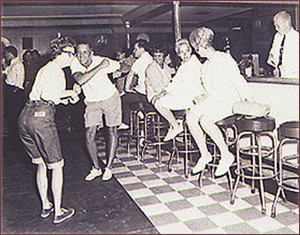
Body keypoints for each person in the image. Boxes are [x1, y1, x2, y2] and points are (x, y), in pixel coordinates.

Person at [18, 36, 78, 224]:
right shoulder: (57, 71)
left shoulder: (45, 69)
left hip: (25, 117)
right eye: (71, 54)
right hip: (41, 118)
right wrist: (72, 92)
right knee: (57, 165)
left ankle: (46, 205)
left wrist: (65, 98)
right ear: (62, 53)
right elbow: (48, 95)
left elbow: (44, 96)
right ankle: (58, 211)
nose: (72, 58)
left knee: (41, 163)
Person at [188, 27, 254, 177]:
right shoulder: (206, 65)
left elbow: (238, 81)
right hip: (215, 100)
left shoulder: (224, 58)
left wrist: (250, 101)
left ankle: (226, 154)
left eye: (195, 47)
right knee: (190, 116)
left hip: (229, 100)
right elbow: (210, 89)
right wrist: (202, 96)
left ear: (200, 46)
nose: (195, 51)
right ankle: (205, 154)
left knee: (205, 120)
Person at [70, 41, 121, 181]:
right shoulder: (75, 63)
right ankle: (96, 168)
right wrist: (100, 67)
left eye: (85, 52)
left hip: (109, 97)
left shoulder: (101, 60)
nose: (82, 56)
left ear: (91, 53)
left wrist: (119, 70)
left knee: (111, 130)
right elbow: (80, 79)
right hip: (92, 101)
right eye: (79, 52)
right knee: (89, 133)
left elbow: (123, 66)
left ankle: (109, 167)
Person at [152, 38, 205, 141]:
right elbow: (175, 82)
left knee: (159, 103)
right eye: (181, 52)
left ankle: (176, 126)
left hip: (194, 98)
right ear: (178, 54)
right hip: (185, 95)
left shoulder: (194, 64)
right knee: (158, 101)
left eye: (187, 51)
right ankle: (175, 125)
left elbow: (183, 86)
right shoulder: (184, 65)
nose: (185, 55)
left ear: (191, 50)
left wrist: (165, 94)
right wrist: (163, 93)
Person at [122, 39, 154, 127]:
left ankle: (126, 122)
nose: (133, 51)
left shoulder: (141, 60)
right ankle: (139, 112)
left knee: (121, 99)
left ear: (142, 49)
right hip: (151, 93)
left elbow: (130, 74)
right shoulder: (151, 58)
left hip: (142, 93)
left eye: (135, 49)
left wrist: (127, 88)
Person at [3, 45, 26, 145]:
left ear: (10, 53)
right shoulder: (12, 64)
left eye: (6, 53)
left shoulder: (18, 65)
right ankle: (12, 135)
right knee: (9, 115)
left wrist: (14, 92)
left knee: (14, 115)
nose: (5, 55)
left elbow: (19, 82)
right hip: (10, 91)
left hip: (15, 92)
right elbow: (6, 74)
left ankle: (16, 137)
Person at [267, 11, 299, 78]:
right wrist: (272, 60)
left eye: (278, 25)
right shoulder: (277, 36)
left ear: (287, 23)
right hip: (279, 76)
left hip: (294, 77)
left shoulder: (297, 38)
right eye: (275, 25)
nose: (276, 28)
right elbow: (273, 52)